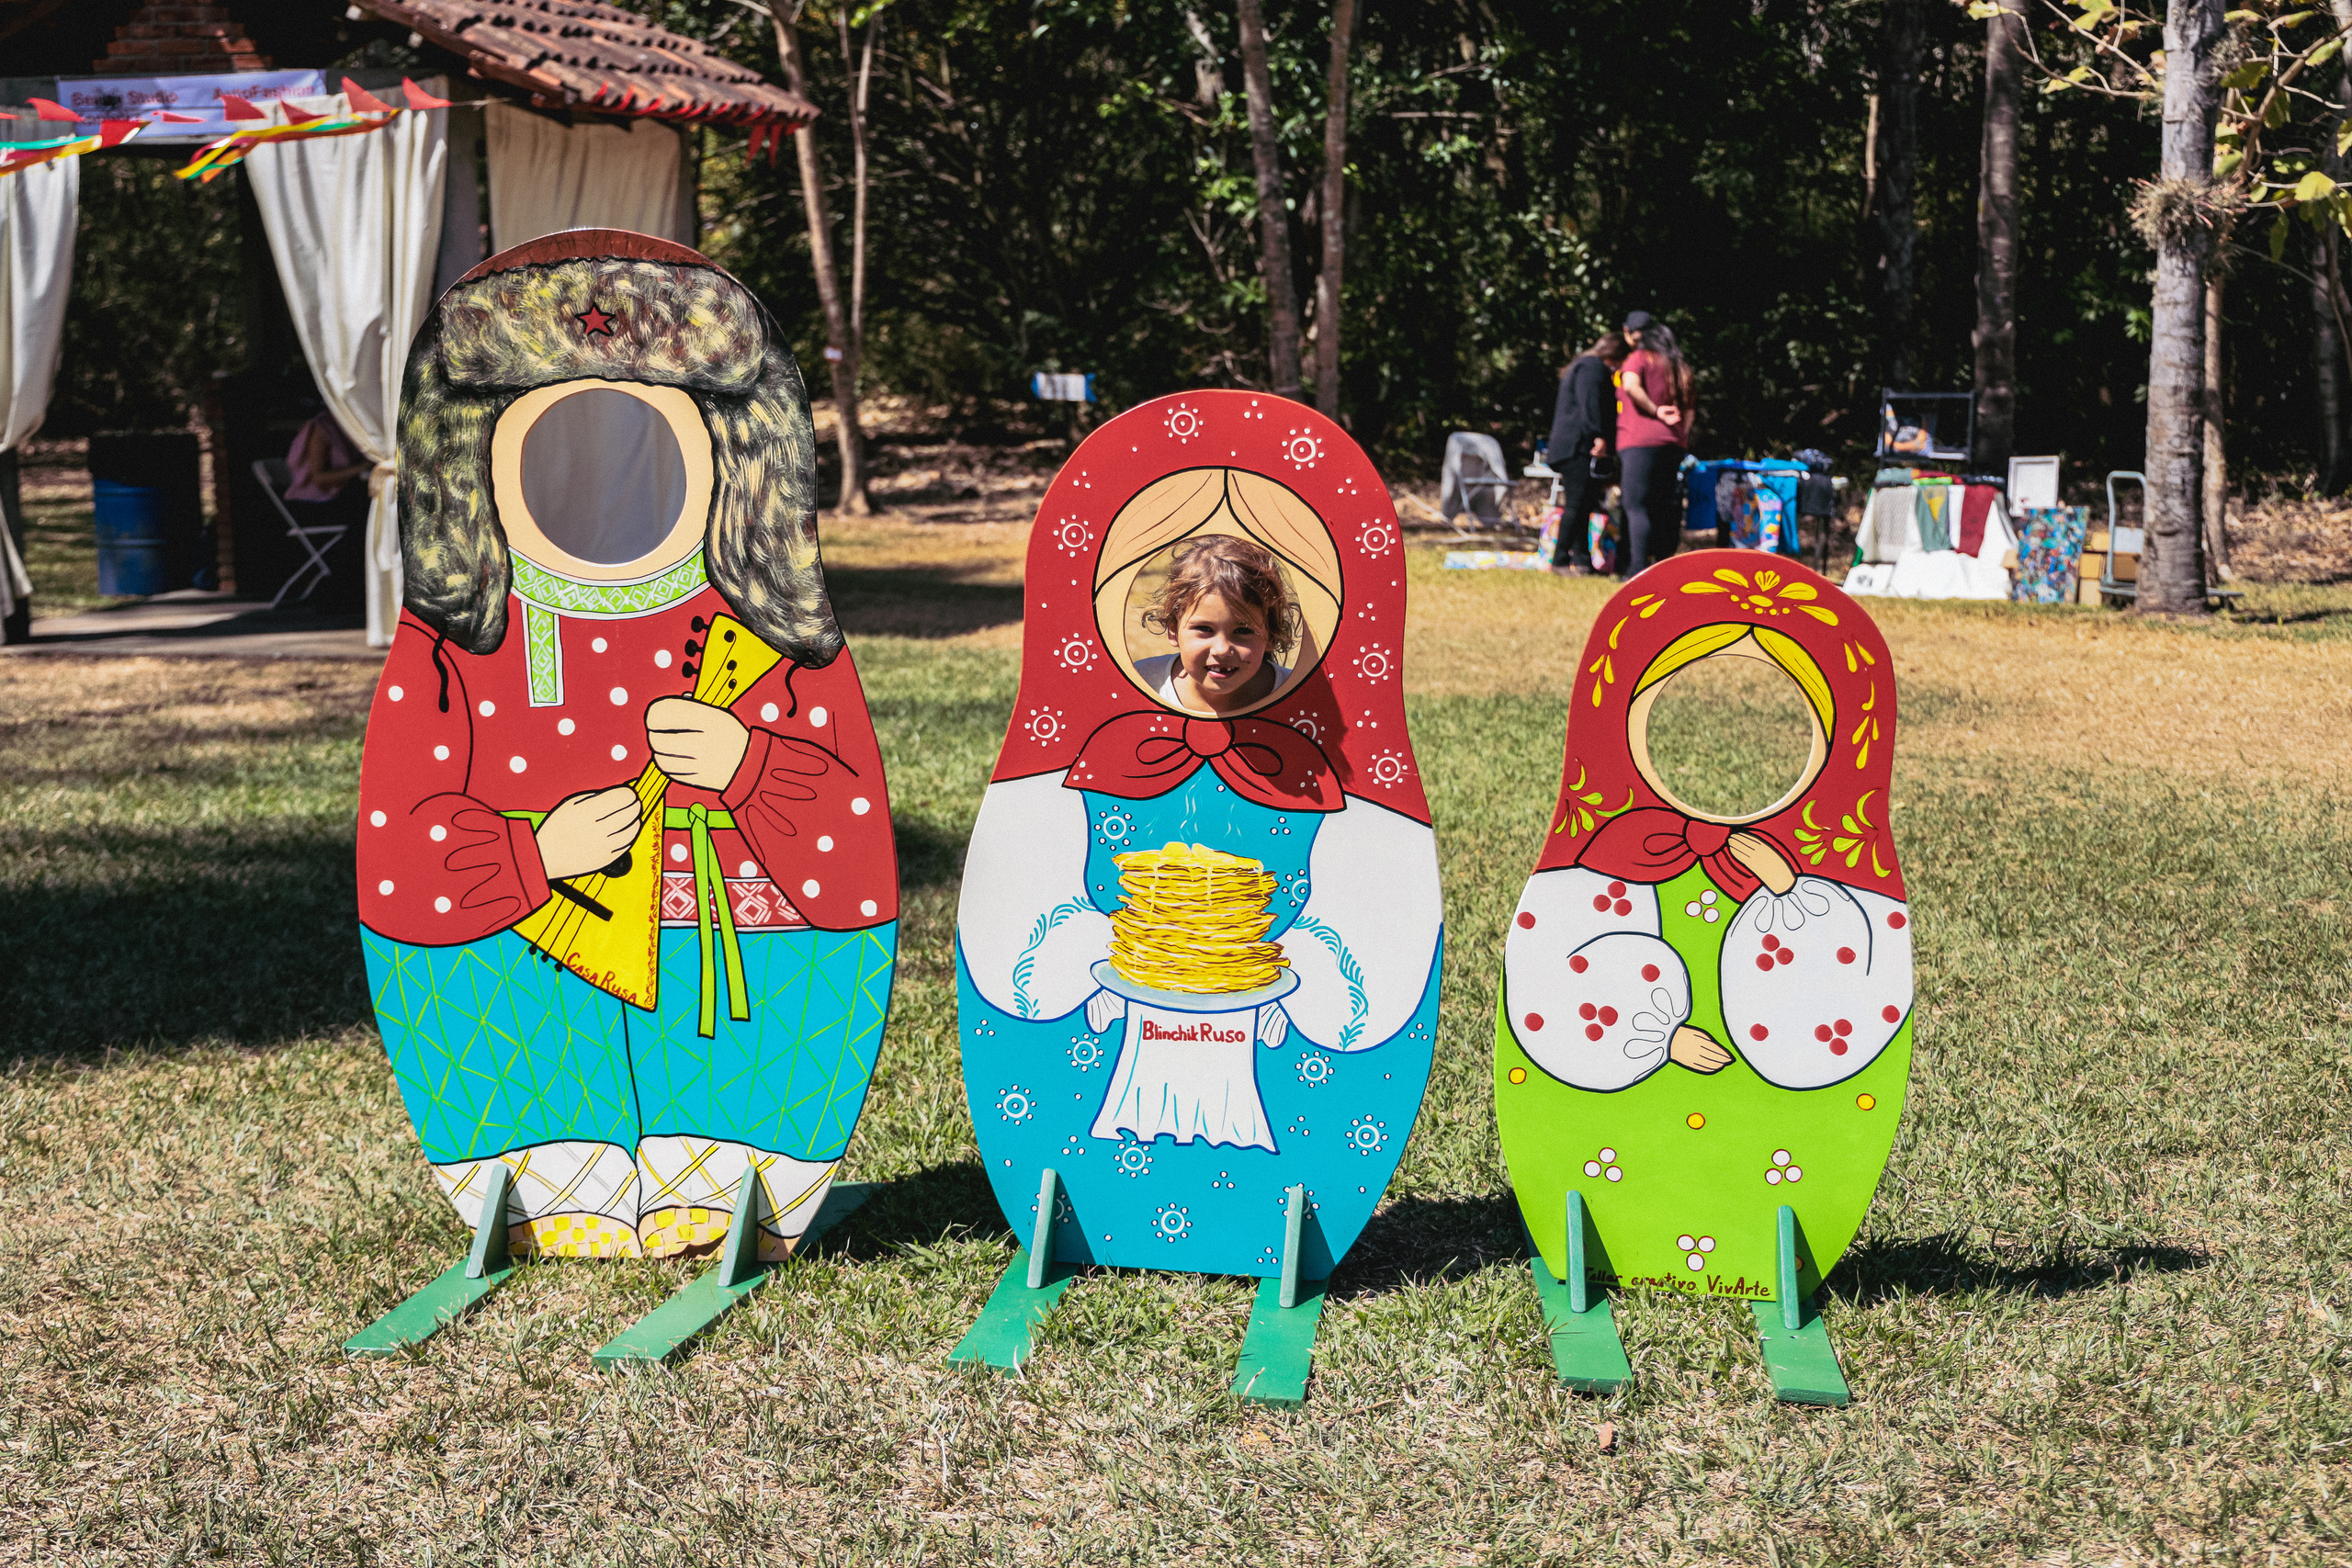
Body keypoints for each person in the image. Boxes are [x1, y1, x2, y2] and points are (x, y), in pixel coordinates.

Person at [1134, 535, 1299, 715]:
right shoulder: (1142, 683)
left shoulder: (1298, 697)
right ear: (1173, 630)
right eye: (1205, 629)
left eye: (1243, 631)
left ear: (1271, 635)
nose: (1221, 650)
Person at [1614, 310, 1694, 576]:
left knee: (1635, 505)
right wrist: (1680, 433)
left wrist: (1655, 410)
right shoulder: (1679, 366)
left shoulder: (1639, 358)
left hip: (1639, 441)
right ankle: (1662, 568)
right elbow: (1690, 409)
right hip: (1673, 444)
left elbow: (1630, 385)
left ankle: (1637, 569)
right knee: (1663, 506)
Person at [1544, 331, 1627, 574]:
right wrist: (1598, 435)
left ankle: (1582, 561)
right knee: (1577, 503)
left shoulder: (1584, 365)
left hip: (1577, 445)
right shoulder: (1592, 367)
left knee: (1585, 504)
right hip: (1578, 446)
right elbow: (1590, 404)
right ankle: (1559, 560)